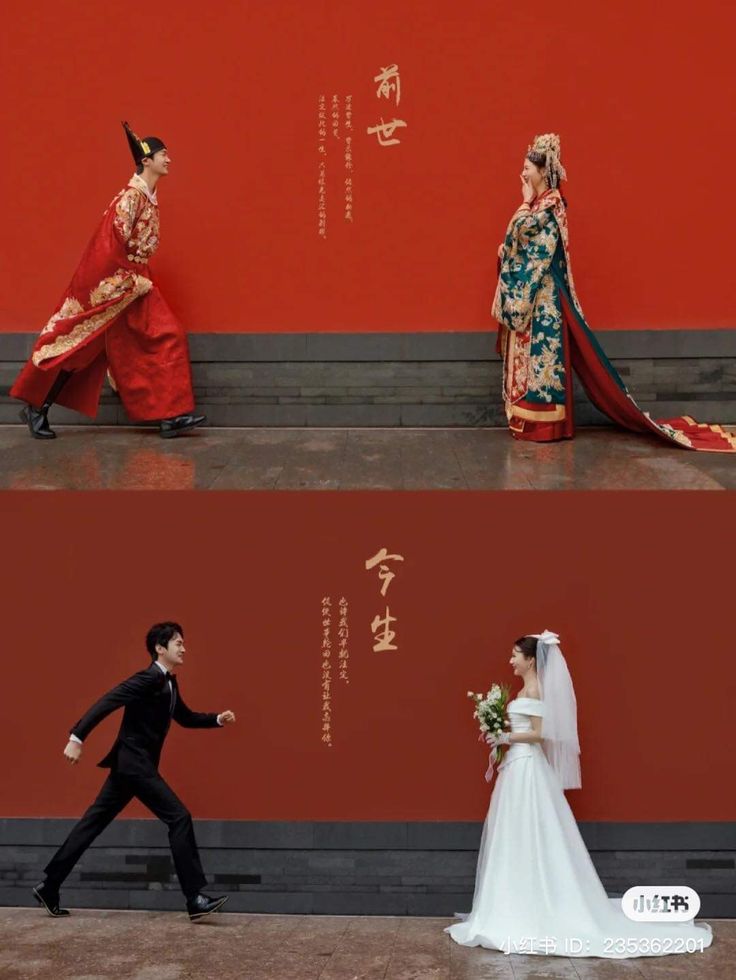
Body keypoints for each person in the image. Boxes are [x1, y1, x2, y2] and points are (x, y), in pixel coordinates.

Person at [447, 630, 713, 959]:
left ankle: (526, 909)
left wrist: (504, 737)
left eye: (515, 655)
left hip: (527, 768)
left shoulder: (534, 689)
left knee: (528, 832)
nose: (510, 661)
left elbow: (541, 734)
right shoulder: (524, 688)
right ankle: (510, 903)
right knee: (515, 834)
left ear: (531, 659)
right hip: (517, 769)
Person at [493, 134, 735, 452]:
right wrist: (510, 249)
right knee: (532, 362)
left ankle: (545, 427)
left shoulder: (551, 206)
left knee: (543, 363)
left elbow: (523, 240)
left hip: (544, 298)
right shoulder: (540, 206)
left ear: (542, 171)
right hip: (533, 297)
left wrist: (519, 216)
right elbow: (517, 240)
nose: (523, 174)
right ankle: (529, 423)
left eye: (527, 168)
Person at [11, 122, 206, 440]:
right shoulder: (129, 199)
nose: (169, 160)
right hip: (122, 285)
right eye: (164, 155)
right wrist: (129, 282)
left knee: (163, 337)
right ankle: (37, 407)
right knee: (80, 351)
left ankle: (170, 415)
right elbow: (105, 248)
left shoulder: (147, 198)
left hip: (137, 284)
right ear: (147, 160)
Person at [33, 622, 235, 922]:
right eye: (178, 643)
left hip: (129, 767)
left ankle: (49, 886)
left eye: (183, 642)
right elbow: (108, 700)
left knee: (91, 824)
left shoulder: (169, 683)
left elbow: (185, 717)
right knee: (179, 817)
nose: (184, 647)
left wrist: (217, 719)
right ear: (160, 648)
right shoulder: (149, 678)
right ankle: (194, 898)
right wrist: (77, 738)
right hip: (135, 765)